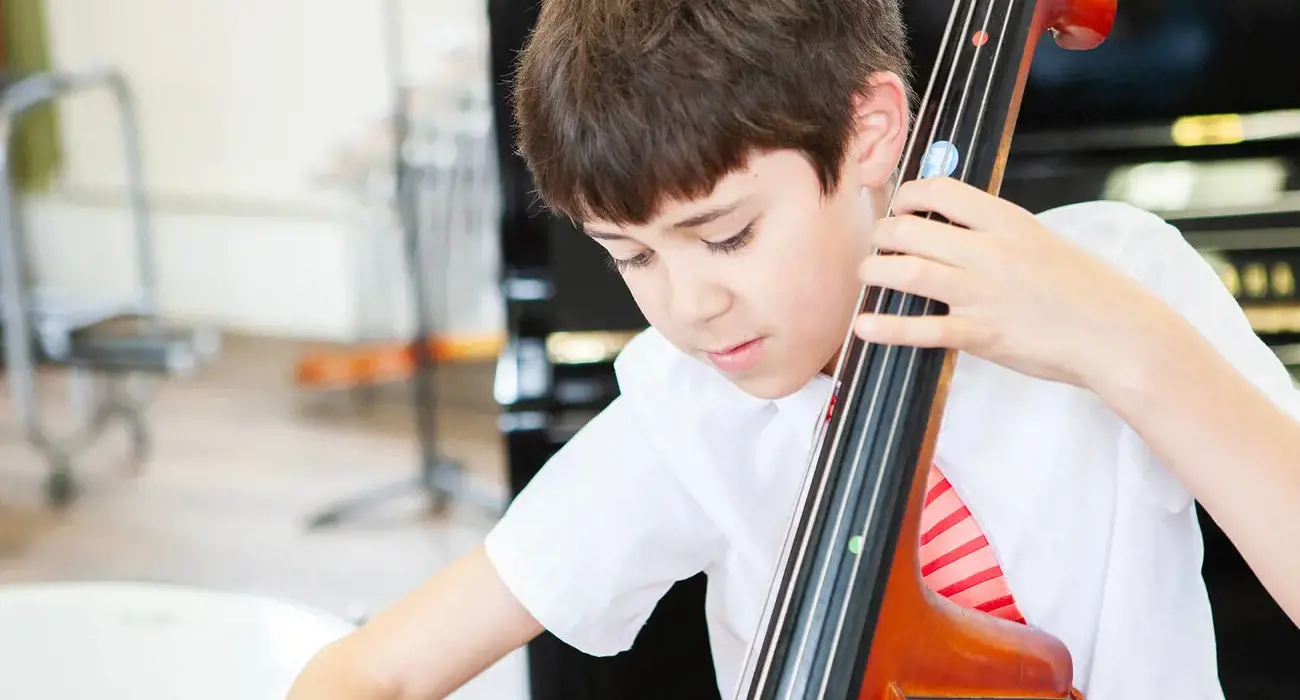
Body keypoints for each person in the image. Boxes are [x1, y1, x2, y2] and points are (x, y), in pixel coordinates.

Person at [286, 0, 1300, 698]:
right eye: (631, 256)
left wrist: (1124, 350)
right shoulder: (685, 414)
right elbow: (374, 669)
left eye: (726, 234)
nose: (687, 305)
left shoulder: (1120, 276)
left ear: (868, 134)